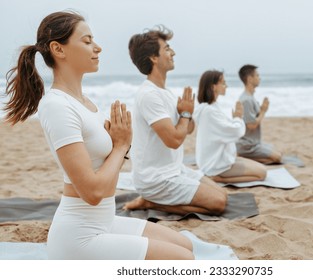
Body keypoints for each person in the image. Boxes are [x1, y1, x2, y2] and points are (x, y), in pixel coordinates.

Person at [3, 11, 194, 260]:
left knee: (186, 246)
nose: (98, 47)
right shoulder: (57, 106)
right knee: (184, 261)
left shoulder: (85, 102)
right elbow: (92, 193)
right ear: (58, 49)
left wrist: (119, 145)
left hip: (105, 220)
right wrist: (120, 146)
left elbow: (107, 162)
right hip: (79, 236)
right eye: (87, 41)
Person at [124, 26, 227, 215]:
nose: (173, 52)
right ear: (154, 58)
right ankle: (151, 202)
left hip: (174, 169)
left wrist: (187, 113)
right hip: (155, 179)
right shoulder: (149, 95)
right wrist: (185, 115)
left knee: (222, 193)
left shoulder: (166, 93)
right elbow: (173, 141)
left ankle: (153, 200)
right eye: (167, 49)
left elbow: (187, 130)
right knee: (218, 203)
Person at [193, 70, 267, 183]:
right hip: (215, 166)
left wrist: (235, 119)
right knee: (262, 173)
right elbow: (236, 132)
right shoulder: (209, 112)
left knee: (261, 167)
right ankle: (219, 178)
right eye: (223, 83)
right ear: (213, 87)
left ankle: (221, 175)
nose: (226, 86)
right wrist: (238, 117)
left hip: (220, 159)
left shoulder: (210, 107)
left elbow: (226, 127)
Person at [236, 64, 282, 164]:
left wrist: (261, 109)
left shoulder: (250, 97)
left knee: (277, 151)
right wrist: (264, 111)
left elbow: (253, 117)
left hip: (255, 142)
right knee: (277, 158)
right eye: (257, 75)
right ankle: (243, 158)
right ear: (249, 79)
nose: (259, 78)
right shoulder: (246, 100)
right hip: (247, 146)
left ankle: (246, 157)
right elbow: (252, 125)